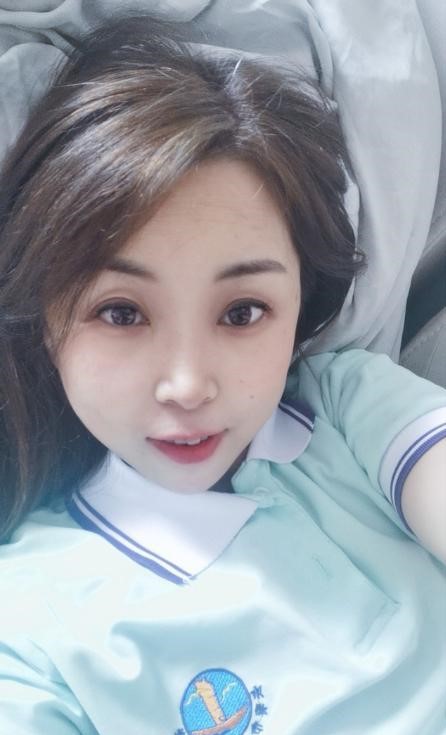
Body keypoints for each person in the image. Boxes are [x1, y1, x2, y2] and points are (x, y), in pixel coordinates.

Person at [0, 13, 445, 735]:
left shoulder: (350, 407)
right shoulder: (31, 625)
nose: (187, 386)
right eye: (120, 312)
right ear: (45, 320)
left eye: (242, 312)